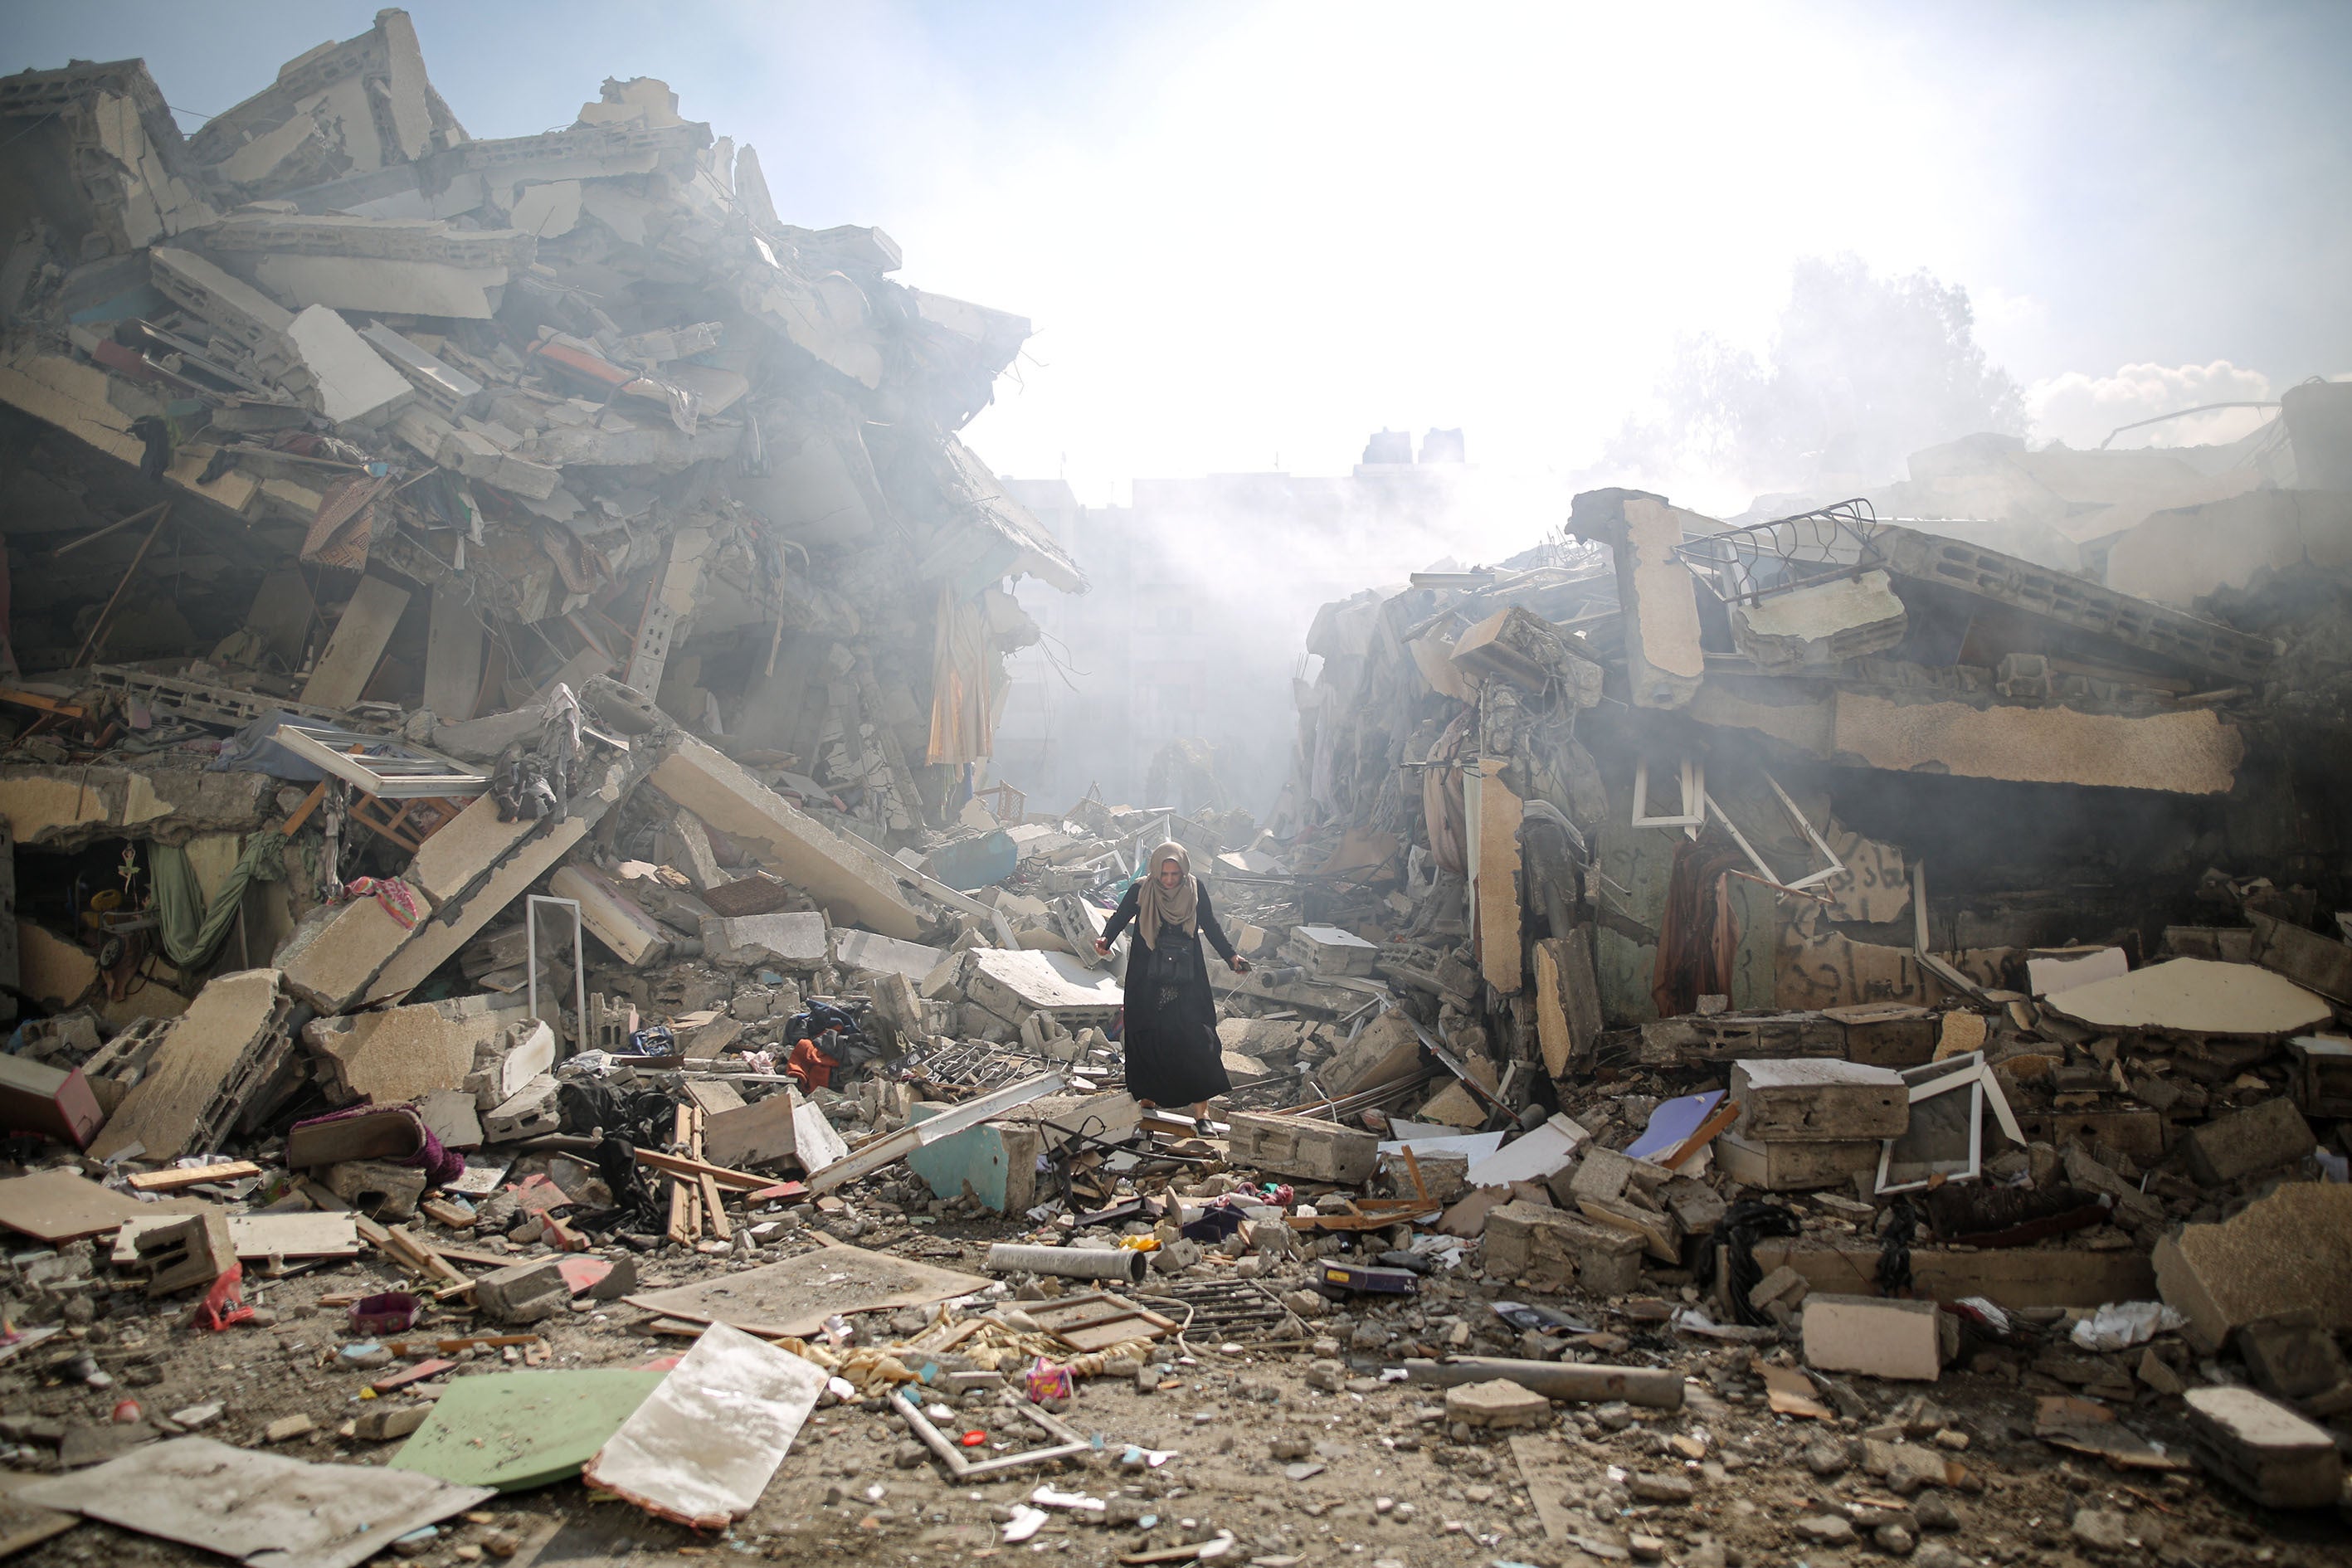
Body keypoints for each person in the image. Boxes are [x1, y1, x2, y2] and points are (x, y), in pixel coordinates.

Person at [1094, 840, 1249, 1125]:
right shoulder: (1142, 889)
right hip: (1147, 977)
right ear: (1155, 871)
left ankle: (1201, 1114)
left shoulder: (1195, 890)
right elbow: (1121, 916)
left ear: (1183, 871)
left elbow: (1210, 925)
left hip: (1186, 976)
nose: (1168, 880)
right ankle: (1148, 1101)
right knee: (1148, 1037)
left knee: (1197, 1039)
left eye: (1174, 875)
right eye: (1163, 874)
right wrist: (1106, 938)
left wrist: (1231, 956)